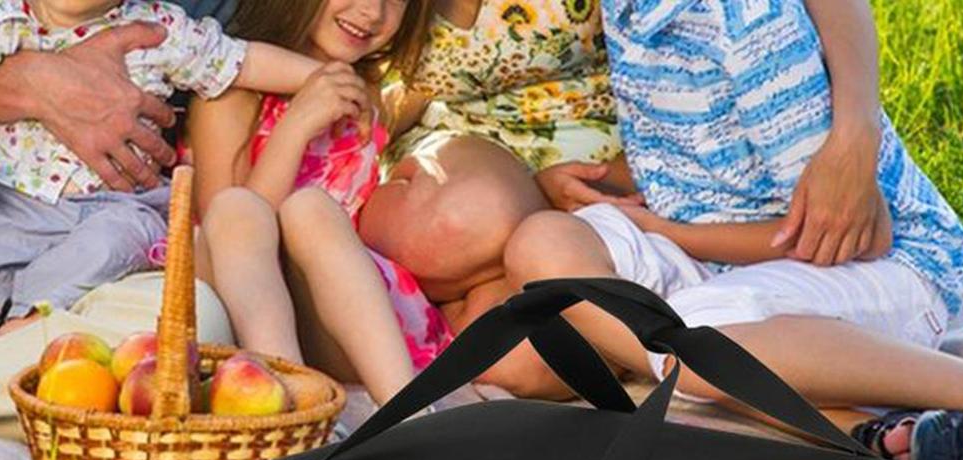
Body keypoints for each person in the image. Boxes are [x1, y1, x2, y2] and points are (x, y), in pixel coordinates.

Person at [503, 0, 963, 460]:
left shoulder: (748, 27)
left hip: (879, 267)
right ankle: (852, 425)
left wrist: (667, 233)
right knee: (543, 242)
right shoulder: (630, 10)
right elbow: (703, 149)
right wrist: (600, 182)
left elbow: (860, 236)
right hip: (726, 262)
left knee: (701, 340)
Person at [356, 0, 897, 394]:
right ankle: (557, 274)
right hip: (478, 155)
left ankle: (566, 280)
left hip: (619, 164)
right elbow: (379, 69)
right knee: (445, 229)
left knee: (518, 359)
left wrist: (856, 131)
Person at [0, 0, 336, 337]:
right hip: (9, 202)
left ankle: (23, 322)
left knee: (118, 239)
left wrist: (326, 78)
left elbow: (242, 61)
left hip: (114, 206)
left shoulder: (159, 29)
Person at [188, 0, 449, 407]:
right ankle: (287, 405)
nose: (372, 12)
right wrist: (297, 125)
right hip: (236, 295)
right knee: (240, 207)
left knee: (309, 209)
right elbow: (230, 230)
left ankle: (407, 412)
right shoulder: (229, 93)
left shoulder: (370, 97)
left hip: (331, 319)